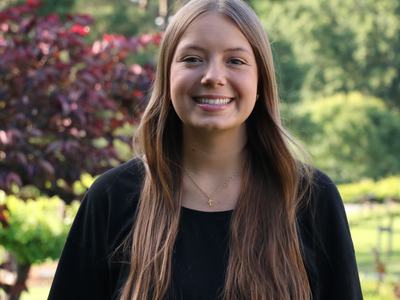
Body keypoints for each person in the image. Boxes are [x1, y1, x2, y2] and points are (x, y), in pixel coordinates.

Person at [48, 0, 363, 299]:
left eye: (235, 61)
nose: (213, 76)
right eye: (192, 59)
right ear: (167, 74)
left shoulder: (311, 198)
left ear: (261, 80)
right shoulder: (112, 198)